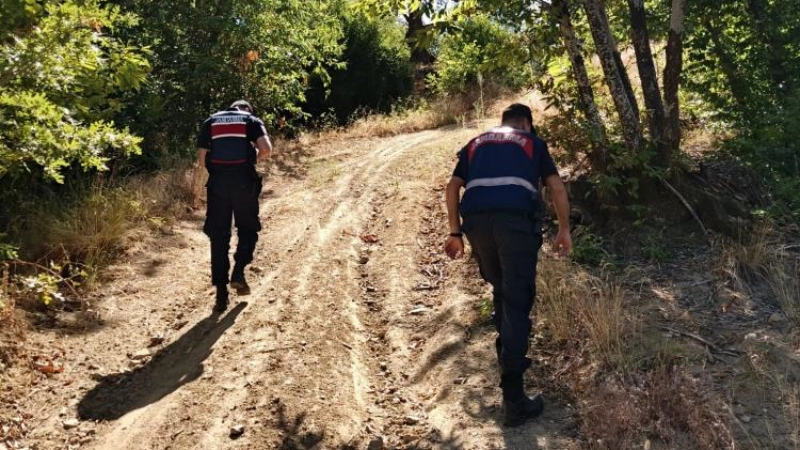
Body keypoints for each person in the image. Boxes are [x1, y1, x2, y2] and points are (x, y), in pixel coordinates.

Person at [443, 103, 572, 427]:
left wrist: (455, 232)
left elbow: (452, 186)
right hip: (514, 224)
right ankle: (514, 400)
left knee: (501, 291)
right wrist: (564, 229)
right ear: (526, 123)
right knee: (516, 300)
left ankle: (506, 357)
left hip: (476, 225)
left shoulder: (475, 143)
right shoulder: (532, 143)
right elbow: (556, 187)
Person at [197, 100, 272, 313]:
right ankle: (238, 272)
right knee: (247, 229)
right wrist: (252, 159)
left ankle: (221, 295)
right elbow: (266, 149)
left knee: (219, 236)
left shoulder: (211, 120)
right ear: (247, 109)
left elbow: (201, 160)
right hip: (244, 183)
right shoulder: (251, 120)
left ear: (231, 107)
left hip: (217, 186)